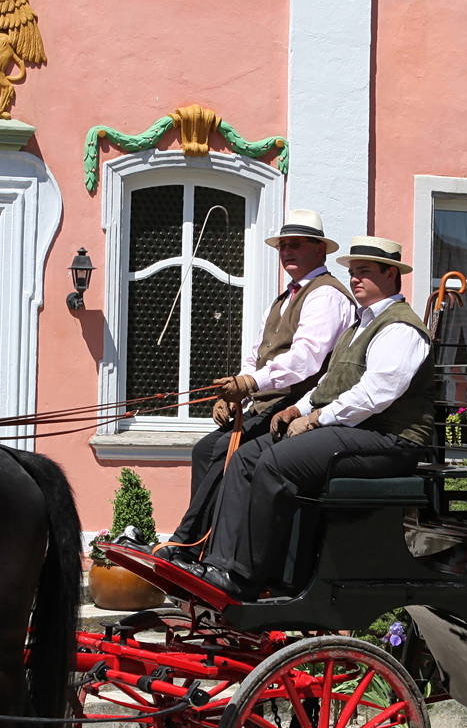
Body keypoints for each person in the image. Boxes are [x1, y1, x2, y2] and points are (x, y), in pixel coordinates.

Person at [185, 236, 436, 600]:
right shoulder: (359, 327)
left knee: (273, 462)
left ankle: (247, 577)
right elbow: (328, 383)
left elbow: (375, 395)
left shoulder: (401, 328)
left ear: (391, 274)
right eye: (352, 272)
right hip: (356, 430)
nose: (355, 279)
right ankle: (219, 565)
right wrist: (297, 409)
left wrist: (318, 419)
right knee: (246, 456)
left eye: (364, 272)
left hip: (390, 439)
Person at [150, 208, 352, 560]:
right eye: (283, 246)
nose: (287, 251)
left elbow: (306, 359)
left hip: (297, 410)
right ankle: (202, 546)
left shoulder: (326, 296)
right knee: (204, 449)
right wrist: (234, 394)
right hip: (263, 404)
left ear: (320, 250)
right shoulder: (283, 298)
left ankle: (194, 546)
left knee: (228, 452)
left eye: (297, 245)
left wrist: (249, 383)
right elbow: (256, 354)